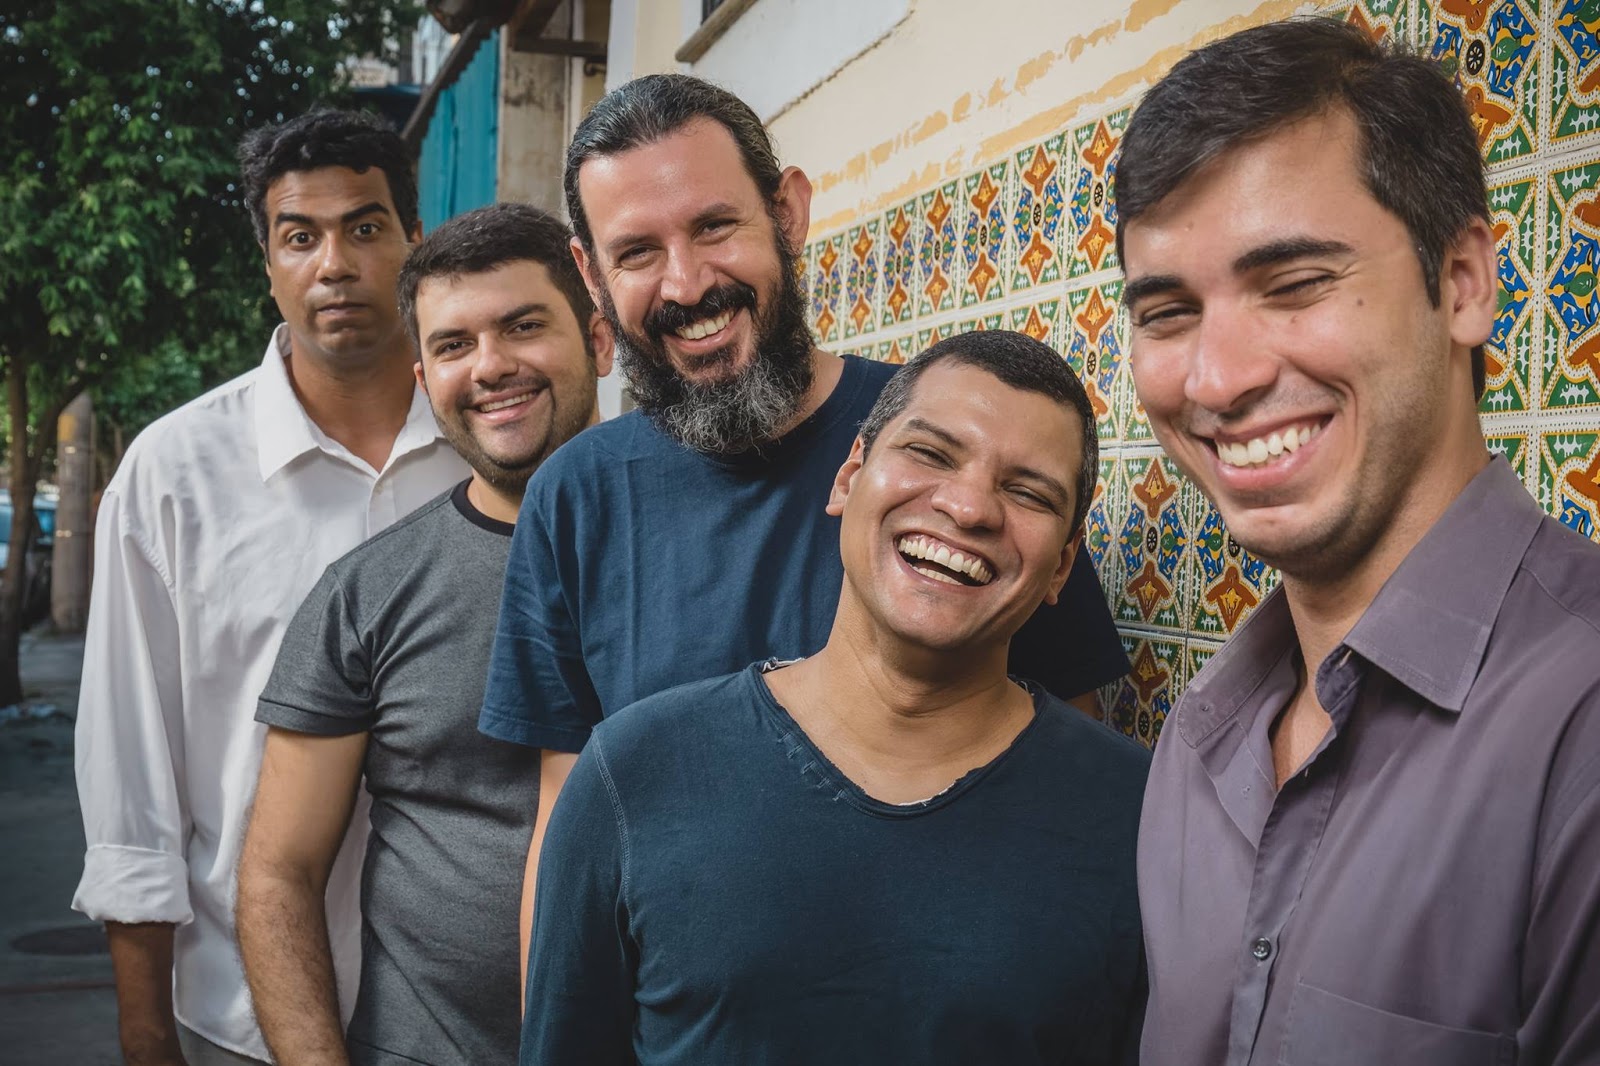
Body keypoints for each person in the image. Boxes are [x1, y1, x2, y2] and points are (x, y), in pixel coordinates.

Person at [477, 73, 1131, 970]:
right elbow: (566, 814)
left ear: (787, 214)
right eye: (636, 252)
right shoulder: (573, 498)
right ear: (591, 275)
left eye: (716, 227)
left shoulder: (944, 457)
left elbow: (1068, 768)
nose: (687, 283)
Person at [1117, 18, 1600, 1065]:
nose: (1216, 379)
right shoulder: (1196, 741)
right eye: (1167, 312)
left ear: (1462, 282)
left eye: (1294, 285)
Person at [524, 330, 1149, 1065]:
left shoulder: (1140, 817)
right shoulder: (634, 774)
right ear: (850, 476)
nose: (969, 507)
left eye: (1028, 492)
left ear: (1062, 567)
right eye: (930, 453)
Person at [72, 110, 467, 1066]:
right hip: (242, 1018)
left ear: (413, 242)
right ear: (269, 264)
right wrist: (145, 1033)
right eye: (300, 236)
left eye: (365, 227)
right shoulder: (174, 475)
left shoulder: (492, 447)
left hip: (475, 1017)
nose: (334, 264)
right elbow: (132, 777)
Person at [234, 203, 611, 1066]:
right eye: (453, 345)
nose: (491, 366)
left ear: (600, 339)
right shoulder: (365, 596)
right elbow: (278, 874)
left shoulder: (697, 548)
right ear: (424, 378)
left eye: (523, 326)